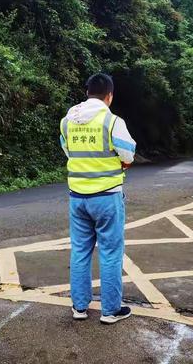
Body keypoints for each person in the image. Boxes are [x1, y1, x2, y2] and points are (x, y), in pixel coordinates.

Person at [60, 73, 136, 324]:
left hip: (77, 198)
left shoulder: (67, 122)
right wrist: (121, 163)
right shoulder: (112, 121)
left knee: (80, 250)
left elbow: (68, 151)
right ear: (109, 96)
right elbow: (128, 153)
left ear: (87, 92)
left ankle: (79, 307)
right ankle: (110, 310)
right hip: (106, 198)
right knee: (111, 252)